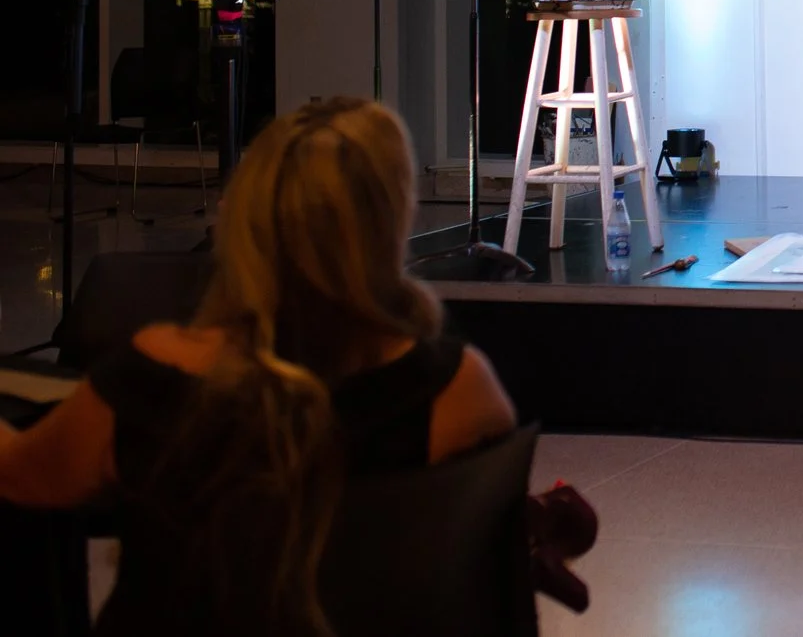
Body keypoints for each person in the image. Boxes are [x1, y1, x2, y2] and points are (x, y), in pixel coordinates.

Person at [0, 98, 517, 636]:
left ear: (242, 216)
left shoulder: (149, 377)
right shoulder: (459, 389)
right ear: (390, 221)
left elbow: (23, 476)